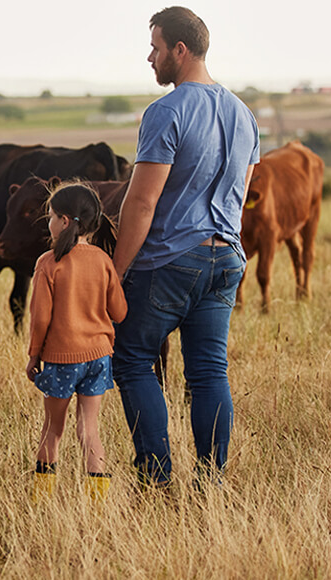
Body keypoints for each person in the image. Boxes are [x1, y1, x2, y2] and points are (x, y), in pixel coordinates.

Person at [110, 6, 259, 491]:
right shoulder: (244, 115)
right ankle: (210, 483)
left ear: (180, 49)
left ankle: (155, 480)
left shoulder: (166, 112)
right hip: (227, 257)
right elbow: (239, 194)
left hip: (172, 260)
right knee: (210, 370)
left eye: (155, 47)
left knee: (131, 359)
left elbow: (141, 203)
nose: (148, 57)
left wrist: (115, 274)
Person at [25, 184, 128, 502]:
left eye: (52, 216)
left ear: (66, 221)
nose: (49, 223)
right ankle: (97, 505)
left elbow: (40, 319)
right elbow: (120, 313)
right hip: (99, 358)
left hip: (61, 359)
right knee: (89, 430)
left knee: (52, 430)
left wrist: (33, 356)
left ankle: (40, 501)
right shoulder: (101, 260)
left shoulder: (48, 263)